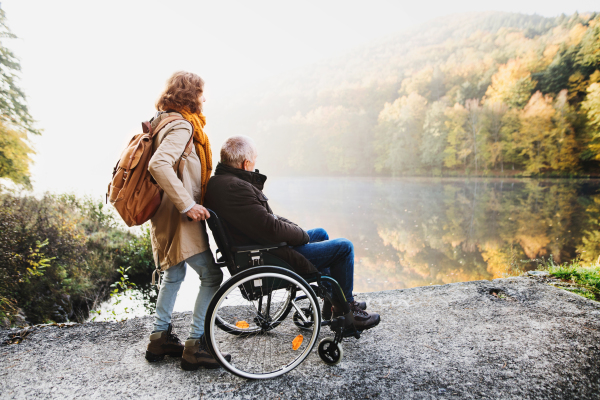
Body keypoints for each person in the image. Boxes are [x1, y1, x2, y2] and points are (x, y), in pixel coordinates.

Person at [204, 135, 380, 330]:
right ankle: (347, 312)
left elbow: (266, 221)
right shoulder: (235, 187)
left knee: (320, 233)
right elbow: (271, 229)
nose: (255, 166)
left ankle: (334, 303)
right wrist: (301, 235)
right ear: (246, 164)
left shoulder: (221, 183)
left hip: (260, 248)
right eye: (254, 161)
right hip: (268, 255)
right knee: (344, 248)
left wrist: (297, 231)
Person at [144, 71, 229, 370]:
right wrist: (188, 204)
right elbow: (159, 164)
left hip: (164, 214)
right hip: (179, 215)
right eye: (202, 93)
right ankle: (195, 345)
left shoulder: (162, 120)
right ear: (191, 95)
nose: (205, 99)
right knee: (211, 276)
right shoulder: (181, 126)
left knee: (174, 272)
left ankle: (159, 338)